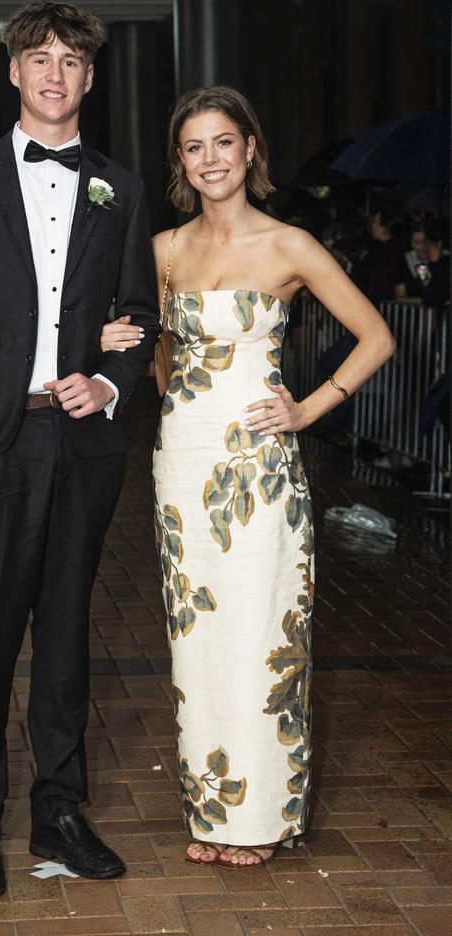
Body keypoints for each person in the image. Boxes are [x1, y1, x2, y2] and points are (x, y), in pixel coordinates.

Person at [0, 0, 158, 896]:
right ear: (13, 72)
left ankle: (59, 808)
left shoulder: (119, 188)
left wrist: (111, 381)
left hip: (83, 444)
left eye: (72, 60)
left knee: (66, 641)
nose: (55, 73)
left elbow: (140, 316)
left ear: (91, 77)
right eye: (38, 58)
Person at [101, 86, 394, 868]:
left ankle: (260, 818)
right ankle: (213, 811)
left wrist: (309, 409)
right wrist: (167, 393)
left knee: (263, 635)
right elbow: (160, 358)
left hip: (261, 467)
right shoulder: (163, 249)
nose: (211, 159)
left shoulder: (291, 245)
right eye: (194, 148)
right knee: (199, 639)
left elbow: (376, 336)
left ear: (250, 148)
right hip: (184, 462)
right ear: (180, 162)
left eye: (223, 143)